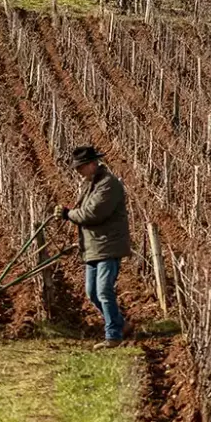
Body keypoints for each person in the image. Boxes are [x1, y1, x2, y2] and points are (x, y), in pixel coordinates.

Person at [53, 145, 131, 349]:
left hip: (108, 245)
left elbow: (91, 214)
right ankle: (120, 324)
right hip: (92, 246)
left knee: (104, 290)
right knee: (92, 293)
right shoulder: (90, 184)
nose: (78, 171)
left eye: (81, 167)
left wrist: (68, 214)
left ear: (92, 164)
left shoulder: (108, 185)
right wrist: (69, 213)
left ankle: (113, 335)